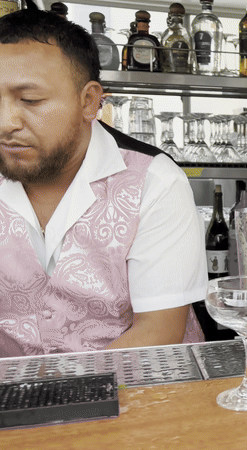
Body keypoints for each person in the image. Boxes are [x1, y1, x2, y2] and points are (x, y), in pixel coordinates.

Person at [0, 9, 206, 357]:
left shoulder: (154, 182)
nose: (6, 122)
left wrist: (56, 385)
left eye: (30, 100)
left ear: (89, 101)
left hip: (142, 383)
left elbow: (158, 330)